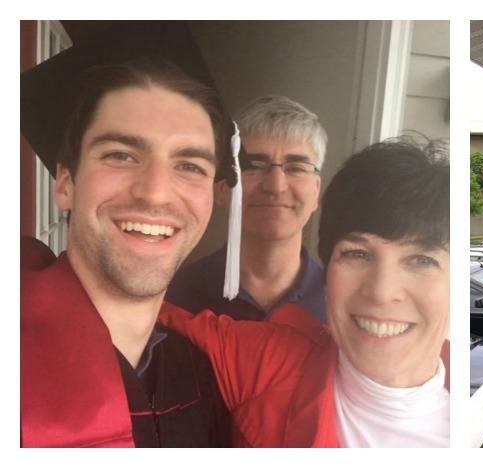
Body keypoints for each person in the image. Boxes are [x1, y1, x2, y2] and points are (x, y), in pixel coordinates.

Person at [20, 24, 235, 447]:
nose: (155, 191)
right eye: (120, 155)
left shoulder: (204, 376)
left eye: (190, 165)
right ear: (65, 183)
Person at [158, 138, 450, 447]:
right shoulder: (270, 363)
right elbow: (131, 315)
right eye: (357, 254)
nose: (382, 291)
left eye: (422, 260)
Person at [168, 95, 327, 328]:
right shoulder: (176, 298)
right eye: (254, 167)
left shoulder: (341, 302)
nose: (276, 186)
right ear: (222, 188)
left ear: (316, 191)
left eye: (296, 168)